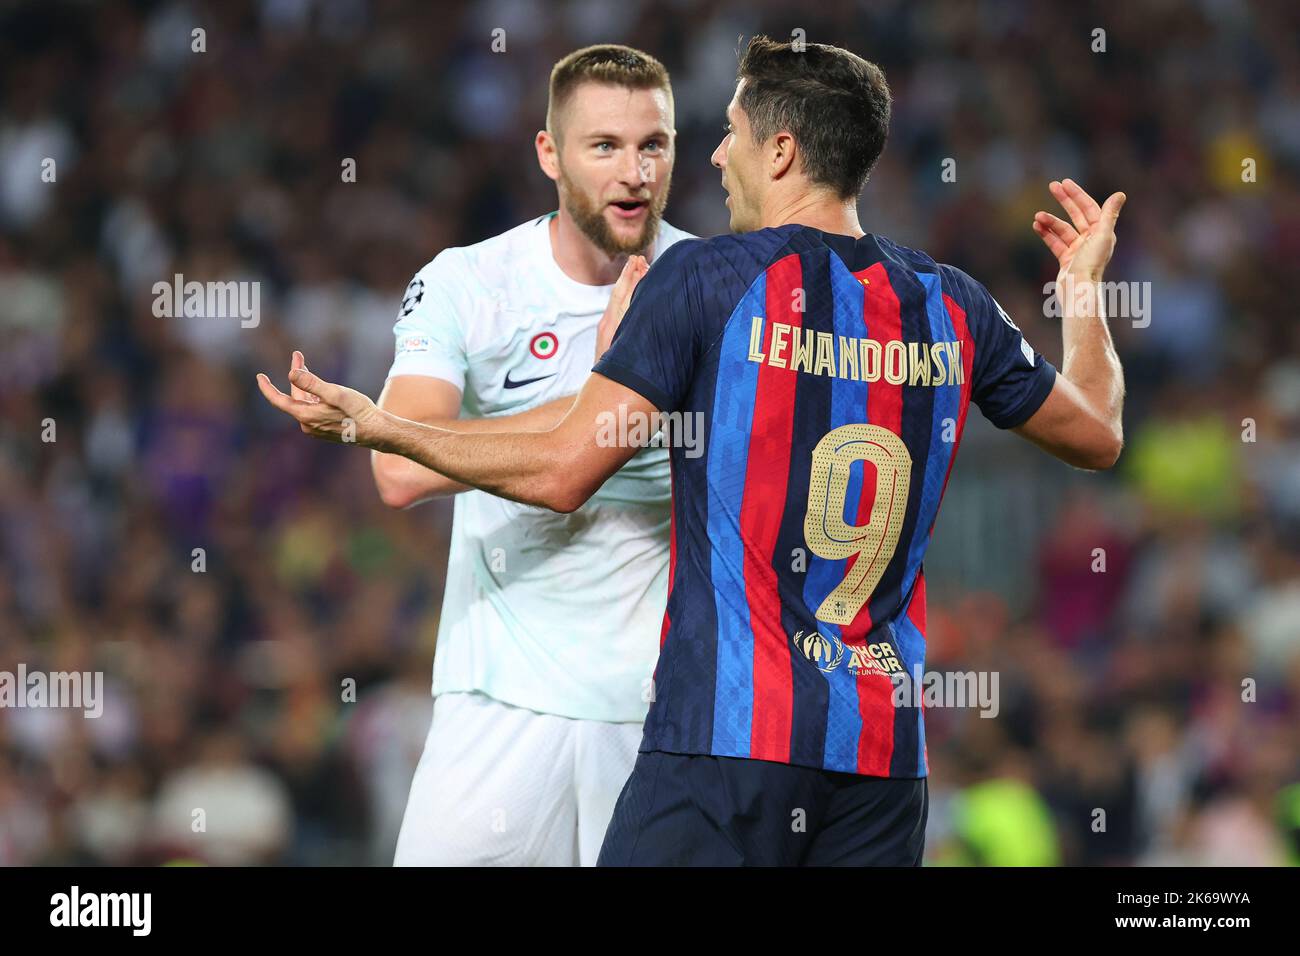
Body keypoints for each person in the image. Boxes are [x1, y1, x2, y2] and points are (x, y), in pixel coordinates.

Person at [258, 36, 1126, 866]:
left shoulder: (708, 279)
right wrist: (1083, 293)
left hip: (727, 740)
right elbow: (1096, 431)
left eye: (731, 134)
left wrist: (381, 426)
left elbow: (565, 471)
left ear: (779, 150)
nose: (717, 158)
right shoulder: (952, 302)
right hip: (881, 756)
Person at [315, 43, 691, 866]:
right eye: (604, 146)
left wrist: (595, 402)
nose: (633, 172)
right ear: (550, 154)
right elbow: (400, 465)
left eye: (651, 144)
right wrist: (613, 384)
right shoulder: (467, 282)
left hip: (662, 715)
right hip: (498, 707)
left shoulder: (713, 289)